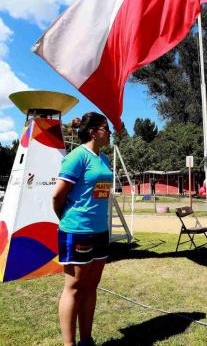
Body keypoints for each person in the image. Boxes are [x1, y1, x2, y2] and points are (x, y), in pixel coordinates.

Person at [53, 112, 113, 346]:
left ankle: (86, 340)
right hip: (77, 230)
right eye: (106, 128)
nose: (109, 133)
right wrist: (67, 218)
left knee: (91, 286)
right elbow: (58, 195)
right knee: (75, 287)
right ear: (93, 131)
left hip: (100, 230)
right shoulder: (77, 157)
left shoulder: (104, 159)